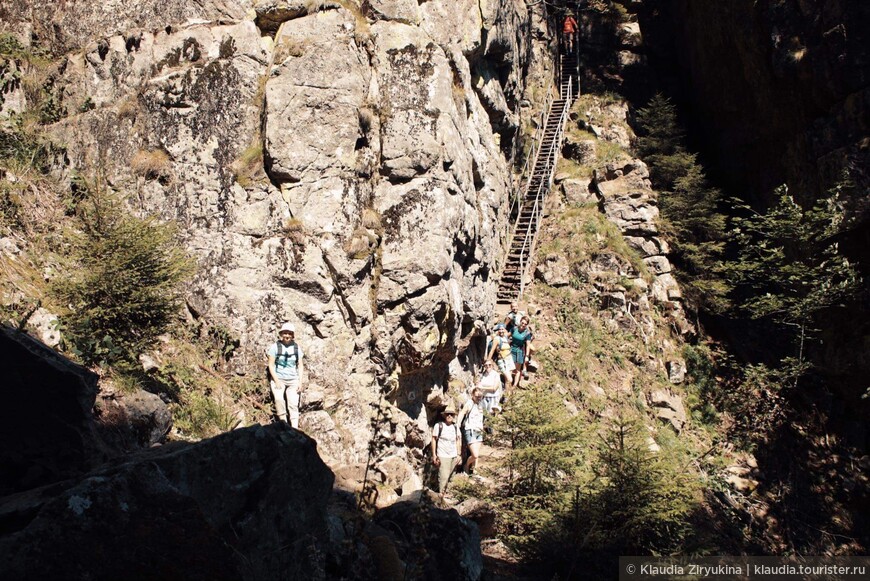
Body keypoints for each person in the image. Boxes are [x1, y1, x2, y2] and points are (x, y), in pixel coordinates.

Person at [267, 322, 305, 428]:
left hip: (293, 379)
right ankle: (284, 425)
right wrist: (276, 380)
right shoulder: (275, 347)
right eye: (285, 333)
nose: (287, 336)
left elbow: (300, 365)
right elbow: (271, 364)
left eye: (289, 333)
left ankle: (294, 428)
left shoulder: (297, 348)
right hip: (278, 378)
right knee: (279, 400)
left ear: (292, 335)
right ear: (281, 334)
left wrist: (300, 382)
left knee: (293, 403)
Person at [430, 404, 462, 495]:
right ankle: (441, 496)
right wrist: (434, 455)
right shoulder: (439, 426)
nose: (449, 416)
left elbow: (458, 440)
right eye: (447, 414)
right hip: (443, 455)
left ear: (454, 416)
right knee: (443, 477)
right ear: (444, 415)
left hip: (453, 455)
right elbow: (434, 440)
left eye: (451, 414)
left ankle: (449, 496)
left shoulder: (455, 427)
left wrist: (459, 454)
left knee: (452, 477)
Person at [457, 388, 485, 475]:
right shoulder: (469, 403)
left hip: (479, 430)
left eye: (480, 396)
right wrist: (457, 425)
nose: (478, 398)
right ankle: (466, 465)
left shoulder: (482, 404)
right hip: (470, 430)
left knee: (477, 454)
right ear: (472, 395)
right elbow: (462, 413)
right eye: (477, 396)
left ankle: (474, 472)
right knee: (475, 454)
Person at [510, 316, 534, 388]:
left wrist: (526, 356)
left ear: (527, 325)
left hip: (519, 351)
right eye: (522, 322)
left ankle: (514, 386)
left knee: (517, 370)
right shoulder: (514, 328)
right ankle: (509, 383)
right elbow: (508, 335)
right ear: (520, 321)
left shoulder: (527, 334)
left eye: (525, 324)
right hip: (511, 349)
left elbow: (528, 345)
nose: (523, 324)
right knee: (510, 368)